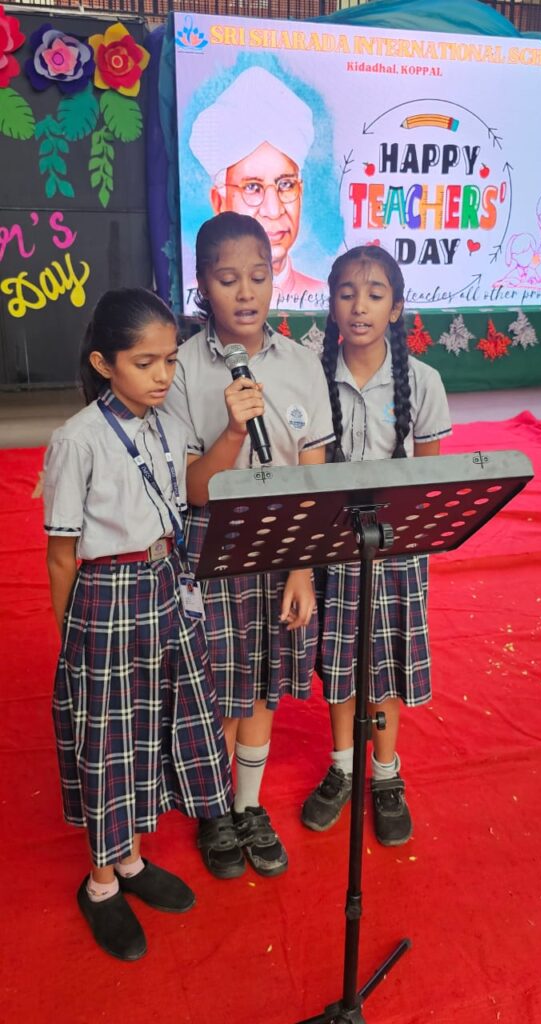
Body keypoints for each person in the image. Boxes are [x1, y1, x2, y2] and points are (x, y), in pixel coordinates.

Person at [44, 288, 232, 961]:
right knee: (107, 738)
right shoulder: (78, 439)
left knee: (150, 725)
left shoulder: (166, 425)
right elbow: (61, 555)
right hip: (106, 599)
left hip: (165, 583)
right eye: (145, 362)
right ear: (104, 363)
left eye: (170, 360)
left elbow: (193, 487)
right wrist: (73, 643)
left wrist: (235, 432)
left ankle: (130, 860)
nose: (162, 376)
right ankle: (100, 885)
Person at [163, 211, 335, 879]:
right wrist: (233, 432)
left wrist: (302, 568)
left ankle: (247, 804)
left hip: (282, 540)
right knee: (215, 688)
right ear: (202, 285)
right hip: (212, 544)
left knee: (262, 684)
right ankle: (212, 809)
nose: (245, 292)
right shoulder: (181, 368)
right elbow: (191, 488)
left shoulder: (301, 364)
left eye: (258, 277)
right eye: (228, 279)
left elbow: (311, 476)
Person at [301, 246, 452, 846]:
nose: (359, 306)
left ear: (396, 307)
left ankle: (386, 774)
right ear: (331, 303)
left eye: (374, 294)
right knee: (340, 663)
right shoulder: (312, 378)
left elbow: (429, 481)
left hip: (397, 551)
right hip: (333, 548)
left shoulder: (424, 382)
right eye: (346, 293)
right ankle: (342, 767)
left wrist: (400, 536)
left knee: (386, 661)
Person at [189, 66, 326, 309]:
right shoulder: (192, 296)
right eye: (253, 187)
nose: (273, 211)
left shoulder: (324, 294)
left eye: (286, 184)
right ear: (219, 202)